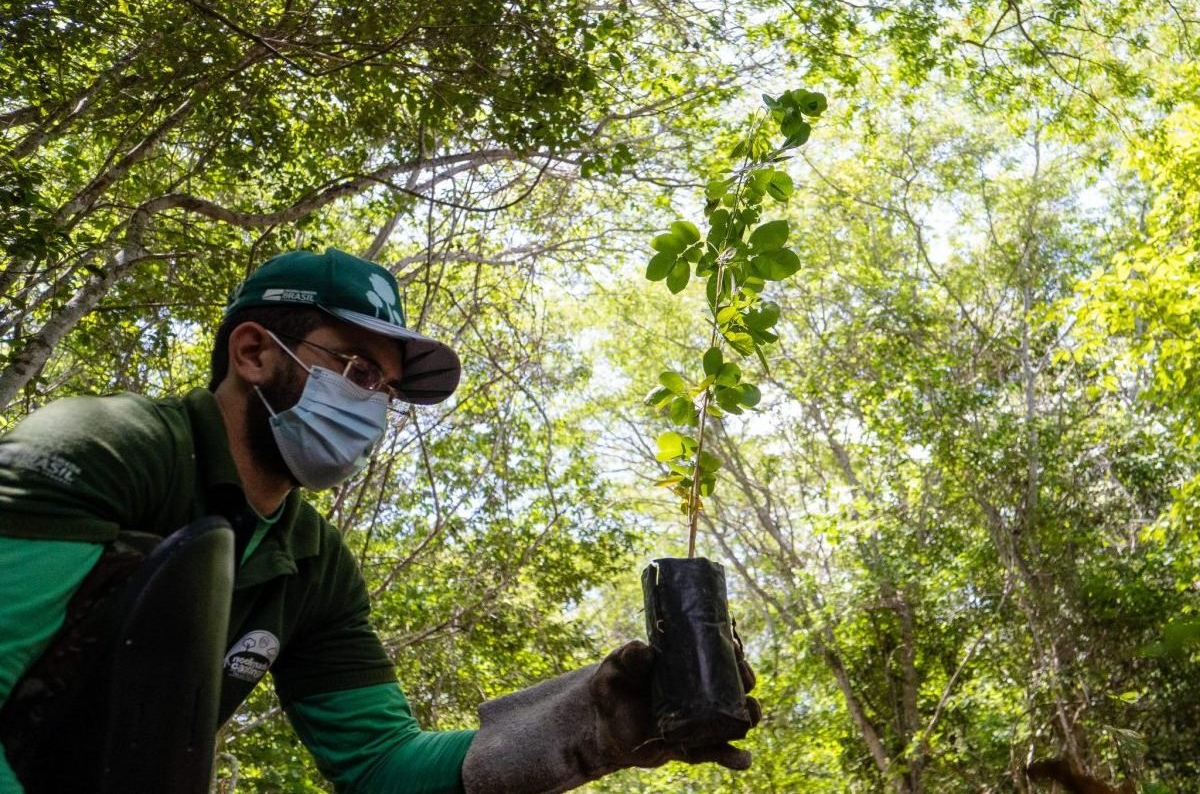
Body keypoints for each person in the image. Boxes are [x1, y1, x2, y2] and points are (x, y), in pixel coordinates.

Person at [0, 248, 759, 793]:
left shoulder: (312, 565)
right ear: (255, 352)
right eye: (359, 371)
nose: (374, 408)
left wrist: (585, 730)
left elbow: (377, 765)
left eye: (387, 392)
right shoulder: (106, 449)